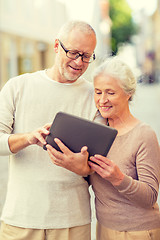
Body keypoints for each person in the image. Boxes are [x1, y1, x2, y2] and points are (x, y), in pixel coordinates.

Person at [0, 20, 98, 240]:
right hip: (21, 219)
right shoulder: (17, 86)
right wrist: (27, 138)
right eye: (73, 53)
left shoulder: (95, 96)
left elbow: (97, 162)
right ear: (56, 46)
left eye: (86, 56)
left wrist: (83, 167)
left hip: (72, 221)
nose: (79, 62)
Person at [46, 57, 160, 240]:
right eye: (98, 92)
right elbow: (91, 177)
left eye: (111, 93)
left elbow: (150, 197)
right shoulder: (96, 131)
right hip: (103, 228)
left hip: (138, 231)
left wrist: (119, 179)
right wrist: (77, 166)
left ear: (128, 93)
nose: (102, 100)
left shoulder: (144, 134)